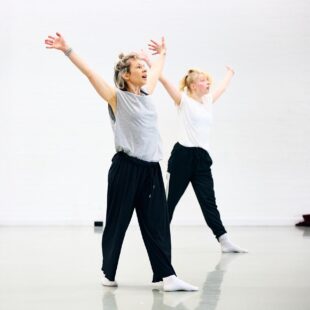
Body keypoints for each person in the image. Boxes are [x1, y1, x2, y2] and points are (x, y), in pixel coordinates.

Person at [44, 33, 198, 291]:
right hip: (126, 169)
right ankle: (108, 272)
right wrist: (67, 49)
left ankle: (167, 276)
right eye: (139, 67)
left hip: (151, 170)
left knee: (158, 223)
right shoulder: (117, 98)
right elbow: (91, 74)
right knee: (118, 222)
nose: (145, 71)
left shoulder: (147, 96)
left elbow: (157, 68)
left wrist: (162, 53)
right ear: (126, 74)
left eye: (144, 67)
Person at [156, 64, 248, 253]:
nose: (208, 83)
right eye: (203, 80)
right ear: (192, 85)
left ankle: (224, 240)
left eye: (208, 80)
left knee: (208, 201)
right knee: (169, 202)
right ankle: (159, 239)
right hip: (183, 156)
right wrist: (152, 64)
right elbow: (164, 82)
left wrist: (230, 74)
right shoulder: (183, 101)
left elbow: (221, 89)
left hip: (202, 159)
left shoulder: (207, 101)